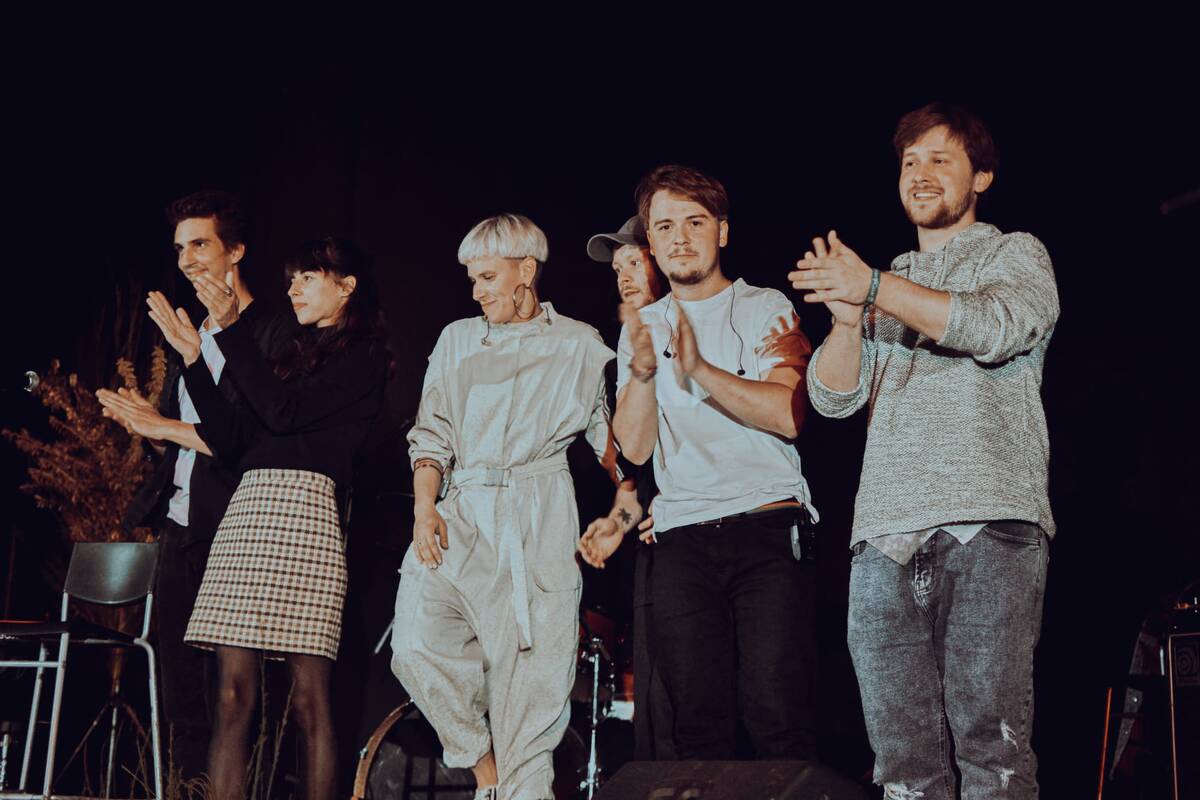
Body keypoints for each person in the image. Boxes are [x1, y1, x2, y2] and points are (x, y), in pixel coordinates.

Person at [792, 102, 1059, 799]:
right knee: (902, 768)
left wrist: (875, 289)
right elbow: (833, 399)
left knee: (993, 753)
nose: (920, 172)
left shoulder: (1014, 254)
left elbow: (993, 327)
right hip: (884, 538)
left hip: (988, 525)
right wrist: (846, 322)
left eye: (941, 158)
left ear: (982, 177)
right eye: (910, 161)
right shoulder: (882, 282)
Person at [390, 214, 637, 800]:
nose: (477, 292)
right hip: (461, 512)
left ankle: (520, 787)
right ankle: (486, 773)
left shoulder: (580, 345)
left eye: (488, 277)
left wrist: (625, 511)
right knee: (415, 647)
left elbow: (615, 449)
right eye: (472, 279)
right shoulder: (456, 339)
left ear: (526, 270)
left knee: (529, 696)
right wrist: (425, 506)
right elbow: (431, 433)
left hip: (539, 518)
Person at [142, 236, 389, 800]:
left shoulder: (364, 355)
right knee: (232, 695)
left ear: (346, 287)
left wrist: (230, 331)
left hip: (307, 513)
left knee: (308, 699)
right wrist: (194, 361)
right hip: (248, 508)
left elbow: (283, 413)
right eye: (292, 279)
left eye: (309, 277)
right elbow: (230, 438)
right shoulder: (291, 352)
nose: (294, 289)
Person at [596, 165, 820, 761]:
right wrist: (644, 371)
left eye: (695, 223)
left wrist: (699, 369)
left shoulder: (764, 306)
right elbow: (634, 449)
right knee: (697, 728)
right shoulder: (644, 326)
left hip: (767, 526)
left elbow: (788, 414)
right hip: (682, 540)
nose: (680, 238)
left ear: (721, 231)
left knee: (776, 717)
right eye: (665, 226)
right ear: (650, 240)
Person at [99, 190, 284, 783]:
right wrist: (147, 427)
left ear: (237, 250)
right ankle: (182, 790)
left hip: (234, 526)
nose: (186, 260)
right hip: (179, 525)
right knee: (176, 686)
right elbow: (189, 437)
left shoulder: (270, 331)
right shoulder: (191, 332)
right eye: (179, 248)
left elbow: (246, 438)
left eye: (200, 244)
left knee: (228, 692)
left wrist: (165, 426)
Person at [578, 214, 673, 759]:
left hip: (707, 530)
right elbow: (633, 473)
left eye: (635, 262)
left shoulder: (695, 320)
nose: (625, 276)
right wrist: (615, 524)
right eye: (618, 269)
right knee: (655, 704)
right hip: (656, 544)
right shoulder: (627, 336)